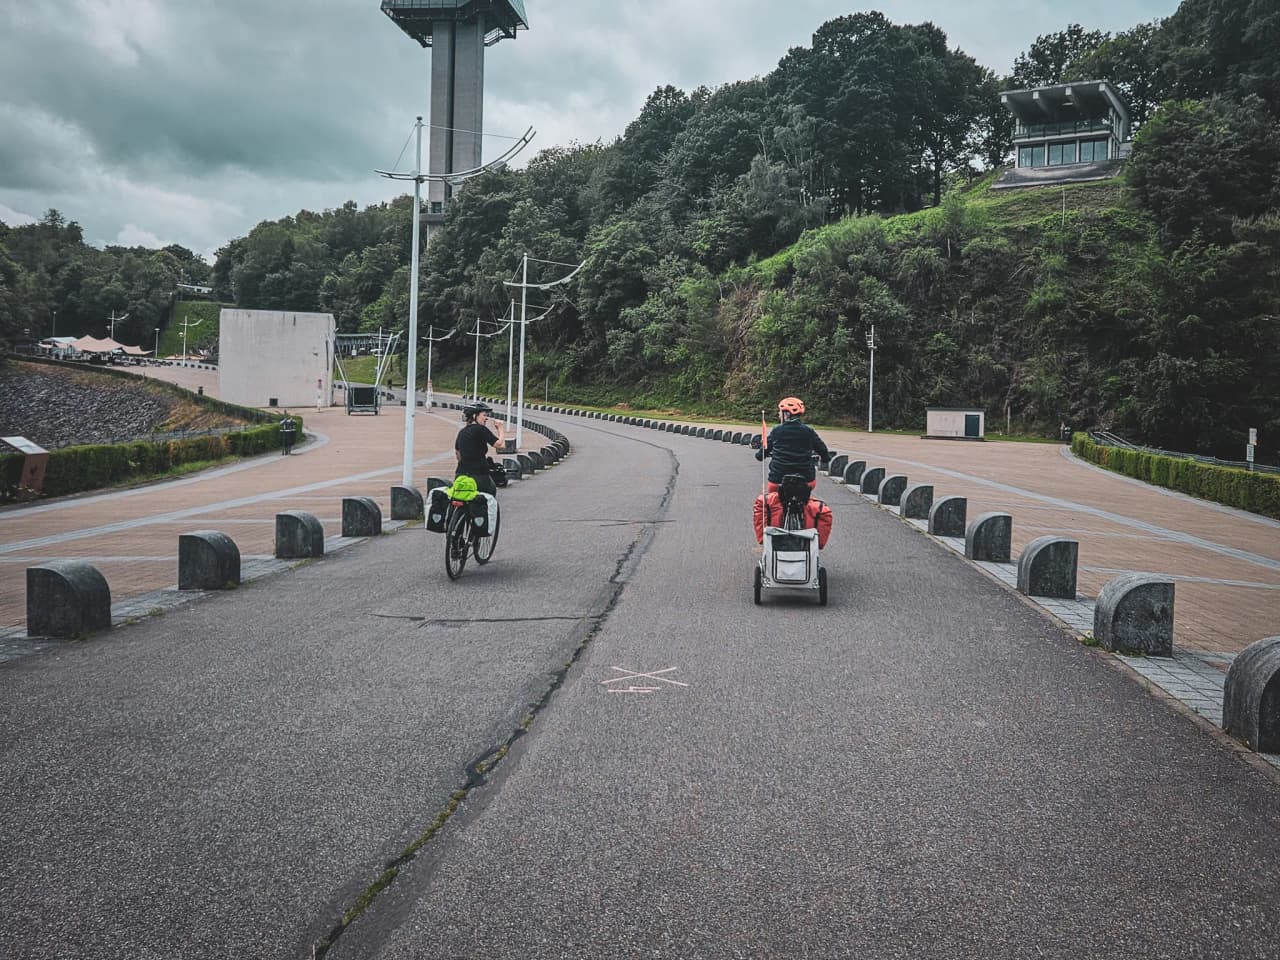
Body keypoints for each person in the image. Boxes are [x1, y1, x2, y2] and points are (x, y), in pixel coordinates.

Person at [755, 396, 831, 490]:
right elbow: (823, 450)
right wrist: (825, 459)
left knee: (772, 502)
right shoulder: (808, 431)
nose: (779, 414)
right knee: (806, 500)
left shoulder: (777, 431)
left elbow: (761, 454)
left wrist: (759, 455)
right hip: (806, 479)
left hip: (778, 480)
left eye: (780, 411)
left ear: (786, 414)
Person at [455, 402, 507, 496]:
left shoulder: (462, 432)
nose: (486, 418)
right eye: (484, 415)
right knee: (489, 497)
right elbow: (500, 445)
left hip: (460, 475)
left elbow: (458, 453)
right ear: (475, 416)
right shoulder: (480, 429)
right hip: (479, 476)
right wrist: (500, 428)